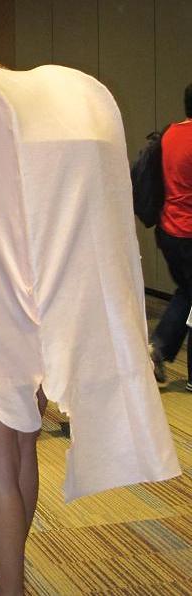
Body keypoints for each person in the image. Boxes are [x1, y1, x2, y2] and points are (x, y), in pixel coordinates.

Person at [0, 61, 180, 595]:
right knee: (21, 454)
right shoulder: (26, 161)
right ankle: (11, 572)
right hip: (32, 323)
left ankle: (9, 588)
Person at [149, 83, 192, 392]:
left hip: (169, 230)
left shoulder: (171, 133)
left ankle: (158, 349)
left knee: (187, 292)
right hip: (189, 231)